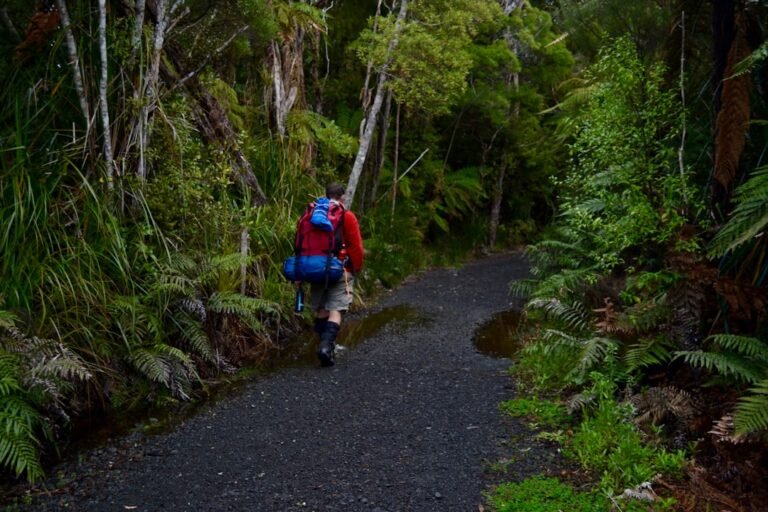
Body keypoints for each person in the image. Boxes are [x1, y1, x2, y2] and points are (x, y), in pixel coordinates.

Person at [310, 182, 364, 366]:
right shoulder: (346, 216)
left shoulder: (314, 214)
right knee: (335, 310)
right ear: (342, 197)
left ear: (326, 195)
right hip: (340, 269)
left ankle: (325, 345)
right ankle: (326, 348)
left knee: (322, 309)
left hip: (315, 268)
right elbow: (355, 246)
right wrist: (355, 267)